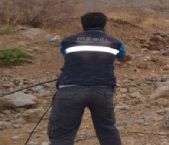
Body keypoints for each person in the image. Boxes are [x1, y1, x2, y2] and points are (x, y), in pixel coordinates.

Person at [48, 12, 133, 145]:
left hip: (70, 89)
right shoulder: (116, 43)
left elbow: (68, 57)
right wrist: (130, 57)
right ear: (105, 27)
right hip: (103, 91)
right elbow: (122, 58)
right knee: (108, 130)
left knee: (61, 135)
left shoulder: (67, 41)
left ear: (83, 27)